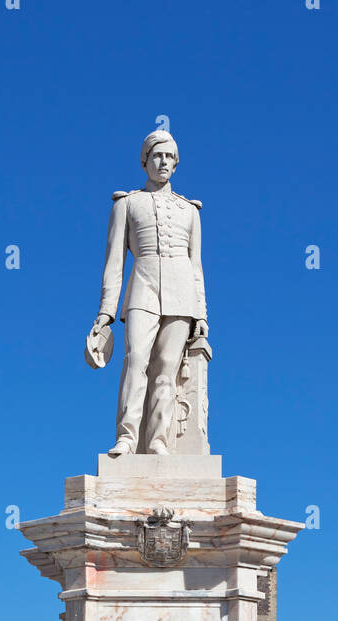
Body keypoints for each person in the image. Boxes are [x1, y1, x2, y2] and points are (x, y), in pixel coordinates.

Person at [89, 130, 208, 456]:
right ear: (145, 161)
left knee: (166, 370)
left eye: (170, 157)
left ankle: (158, 441)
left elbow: (195, 265)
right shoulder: (127, 204)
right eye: (157, 156)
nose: (163, 162)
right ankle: (127, 437)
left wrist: (201, 313)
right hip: (142, 287)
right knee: (136, 360)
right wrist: (105, 313)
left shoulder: (190, 211)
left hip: (181, 292)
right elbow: (114, 264)